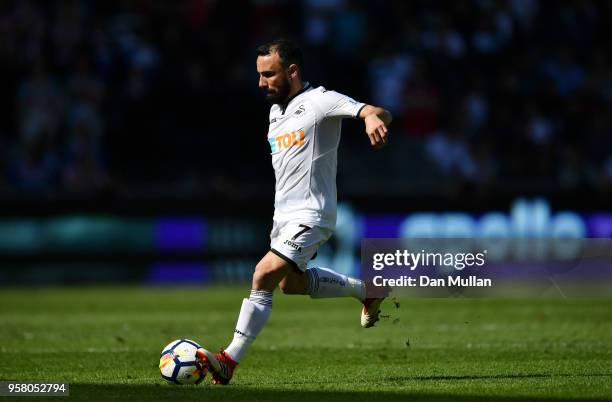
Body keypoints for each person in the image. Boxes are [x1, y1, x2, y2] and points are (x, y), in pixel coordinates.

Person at [197, 38, 392, 385]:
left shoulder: (320, 101)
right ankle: (368, 291)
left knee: (261, 275)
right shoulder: (275, 113)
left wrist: (372, 120)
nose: (261, 83)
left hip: (312, 214)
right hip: (283, 218)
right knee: (291, 284)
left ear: (292, 71)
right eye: (258, 75)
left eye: (268, 74)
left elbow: (374, 110)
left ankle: (229, 359)